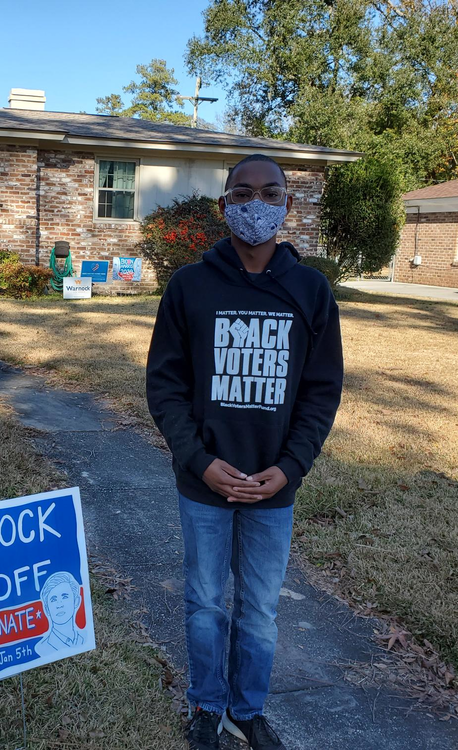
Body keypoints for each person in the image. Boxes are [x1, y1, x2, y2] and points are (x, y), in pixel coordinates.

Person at [146, 154, 343, 750]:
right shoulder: (190, 286)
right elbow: (165, 385)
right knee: (204, 603)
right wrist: (199, 459)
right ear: (225, 204)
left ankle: (246, 710)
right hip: (203, 484)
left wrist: (289, 470)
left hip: (272, 490)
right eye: (242, 193)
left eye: (270, 192)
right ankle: (206, 705)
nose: (256, 204)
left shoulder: (310, 291)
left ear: (288, 204)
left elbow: (320, 391)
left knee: (259, 612)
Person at [35, 571, 85, 656]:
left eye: (65, 597)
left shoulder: (85, 638)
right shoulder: (41, 648)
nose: (59, 604)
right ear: (47, 609)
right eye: (53, 600)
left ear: (76, 601)